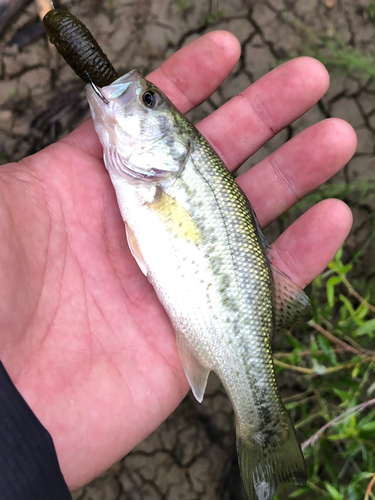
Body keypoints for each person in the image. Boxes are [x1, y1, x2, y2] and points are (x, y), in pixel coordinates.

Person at [0, 31, 356, 497]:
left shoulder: (162, 180)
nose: (137, 96)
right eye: (151, 99)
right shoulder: (151, 176)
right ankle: (263, 431)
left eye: (147, 100)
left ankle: (261, 425)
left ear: (172, 145)